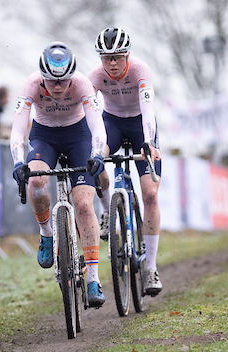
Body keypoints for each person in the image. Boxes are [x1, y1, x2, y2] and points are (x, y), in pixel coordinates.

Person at [10, 42, 107, 307]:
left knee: (85, 206)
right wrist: (19, 162)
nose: (57, 86)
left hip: (78, 137)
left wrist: (97, 153)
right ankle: (46, 233)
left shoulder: (83, 84)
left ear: (72, 76)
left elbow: (97, 124)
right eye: (51, 81)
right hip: (45, 137)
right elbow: (18, 129)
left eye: (63, 81)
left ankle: (93, 280)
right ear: (42, 76)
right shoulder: (30, 85)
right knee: (37, 180)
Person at [87, 27, 163, 296]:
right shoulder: (94, 76)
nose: (113, 63)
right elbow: (87, 111)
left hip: (141, 126)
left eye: (118, 57)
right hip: (113, 124)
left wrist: (149, 141)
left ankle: (151, 267)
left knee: (150, 195)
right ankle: (106, 208)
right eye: (106, 58)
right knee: (93, 159)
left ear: (127, 55)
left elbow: (148, 109)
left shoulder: (140, 70)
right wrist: (95, 148)